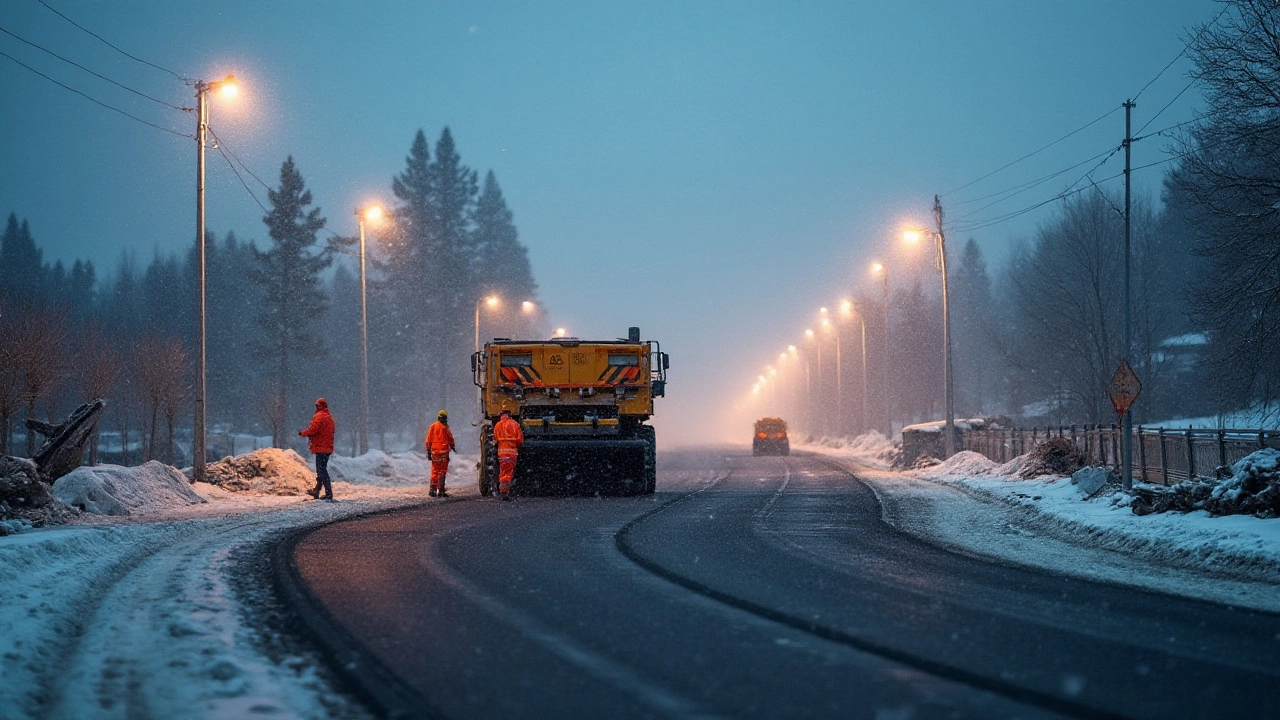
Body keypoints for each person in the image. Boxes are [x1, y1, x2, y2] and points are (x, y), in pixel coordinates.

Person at [299, 398, 335, 500]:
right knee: (322, 469)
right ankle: (317, 490)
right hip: (327, 447)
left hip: (321, 447)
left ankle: (328, 493)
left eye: (317, 406)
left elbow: (313, 430)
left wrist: (303, 433)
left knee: (321, 470)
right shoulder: (329, 417)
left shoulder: (319, 416)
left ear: (319, 406)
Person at [493, 408, 524, 501]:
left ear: (502, 415)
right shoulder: (515, 424)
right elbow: (520, 439)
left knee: (504, 471)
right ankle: (505, 492)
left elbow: (495, 440)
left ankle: (503, 491)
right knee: (508, 472)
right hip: (512, 453)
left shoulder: (497, 425)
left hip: (501, 453)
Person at [425, 410, 456, 497]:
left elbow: (428, 439)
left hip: (435, 452)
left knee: (435, 470)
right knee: (442, 471)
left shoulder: (433, 426)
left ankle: (433, 489)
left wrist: (428, 450)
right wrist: (453, 447)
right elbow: (450, 438)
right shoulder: (445, 427)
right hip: (444, 453)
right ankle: (441, 490)